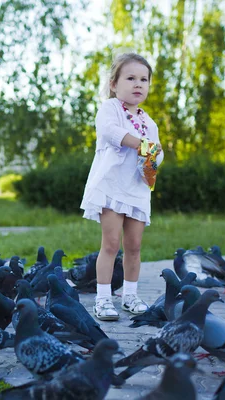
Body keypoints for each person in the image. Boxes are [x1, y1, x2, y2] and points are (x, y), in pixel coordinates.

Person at [80, 53, 163, 321]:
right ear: (114, 84)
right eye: (130, 78)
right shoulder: (111, 109)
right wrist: (141, 145)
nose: (138, 84)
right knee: (111, 243)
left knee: (134, 246)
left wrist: (155, 156)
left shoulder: (149, 122)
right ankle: (103, 299)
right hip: (112, 187)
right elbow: (109, 132)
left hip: (137, 189)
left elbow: (156, 154)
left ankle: (130, 295)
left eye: (144, 79)